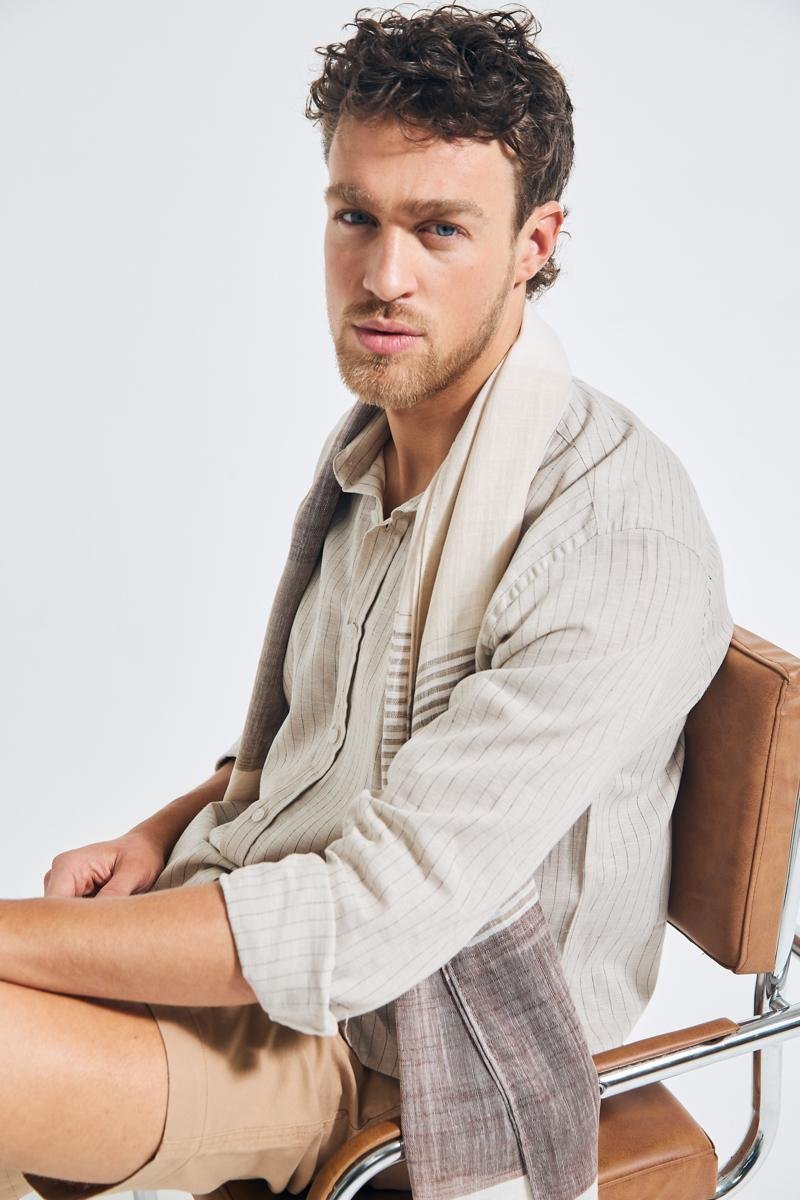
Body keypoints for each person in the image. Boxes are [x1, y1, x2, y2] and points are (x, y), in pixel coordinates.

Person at [0, 6, 734, 1200]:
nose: (384, 278)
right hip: (266, 953)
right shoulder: (378, 450)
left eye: (440, 228)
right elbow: (334, 754)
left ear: (534, 241)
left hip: (391, 1055)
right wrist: (165, 830)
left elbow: (362, 921)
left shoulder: (609, 537)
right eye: (357, 218)